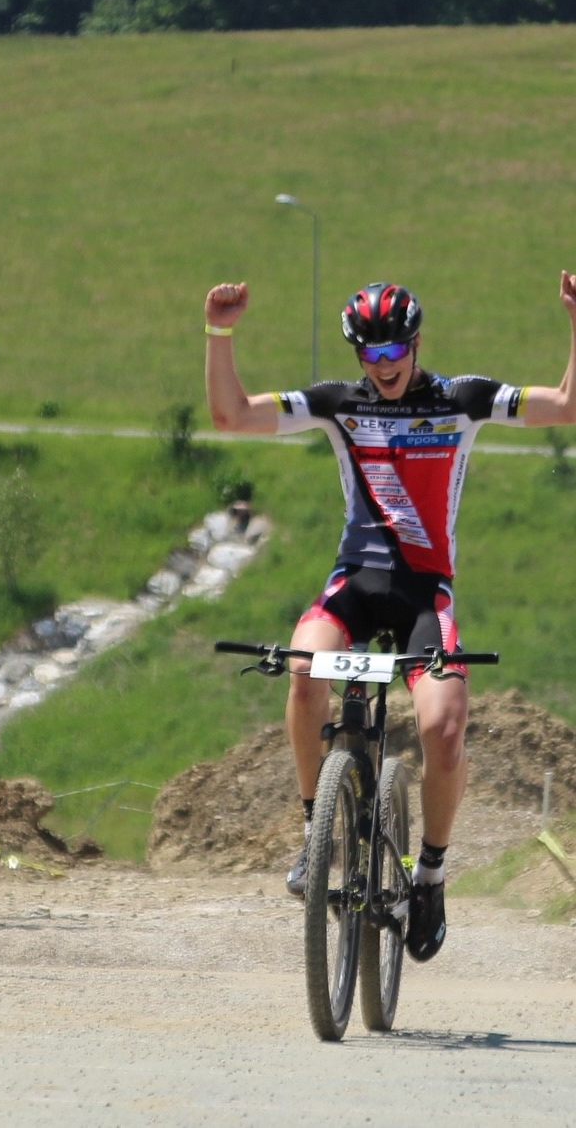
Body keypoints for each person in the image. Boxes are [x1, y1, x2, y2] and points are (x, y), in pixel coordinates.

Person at [204, 272, 576, 962]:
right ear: (357, 358)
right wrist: (220, 333)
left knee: (442, 726)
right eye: (370, 356)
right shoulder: (338, 404)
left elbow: (565, 406)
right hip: (355, 585)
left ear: (415, 343)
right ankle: (319, 835)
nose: (385, 367)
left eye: (394, 351)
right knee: (301, 667)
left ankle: (430, 874)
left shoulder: (460, 399)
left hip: (424, 595)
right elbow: (232, 416)